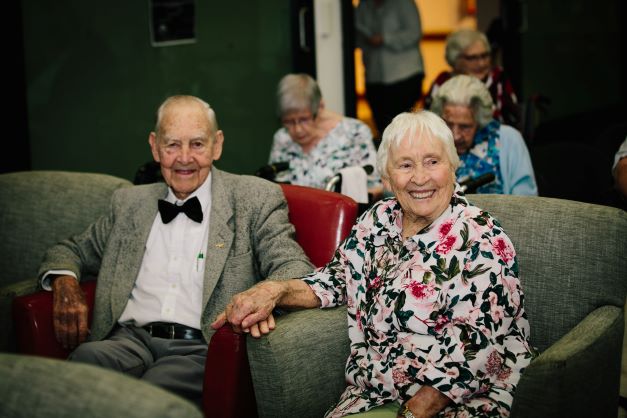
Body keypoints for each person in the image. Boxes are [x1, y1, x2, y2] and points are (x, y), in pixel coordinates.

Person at [214, 110, 535, 418]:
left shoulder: (482, 238)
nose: (420, 178)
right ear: (387, 175)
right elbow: (336, 278)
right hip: (374, 395)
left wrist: (411, 413)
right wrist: (274, 291)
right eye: (405, 165)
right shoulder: (377, 221)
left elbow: (475, 353)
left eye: (433, 162)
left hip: (463, 401)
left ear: (453, 166)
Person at [38, 95, 314, 408]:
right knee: (73, 378)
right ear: (155, 147)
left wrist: (268, 292)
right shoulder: (129, 204)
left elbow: (294, 267)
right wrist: (65, 284)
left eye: (197, 144)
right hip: (126, 341)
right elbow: (69, 250)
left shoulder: (255, 198)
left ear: (217, 144)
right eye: (172, 145)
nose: (184, 158)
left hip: (199, 348)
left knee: (146, 403)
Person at [268, 73, 383, 198]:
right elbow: (273, 189)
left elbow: (375, 188)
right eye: (289, 122)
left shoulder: (354, 133)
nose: (298, 129)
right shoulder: (282, 138)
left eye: (304, 119)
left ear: (320, 107)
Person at [430, 74, 537, 195]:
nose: (456, 136)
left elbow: (527, 202)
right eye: (448, 124)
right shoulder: (431, 142)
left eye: (465, 127)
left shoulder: (509, 139)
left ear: (480, 121)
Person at [424, 28, 520, 129]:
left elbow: (513, 120)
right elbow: (429, 122)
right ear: (455, 59)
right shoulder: (442, 82)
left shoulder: (498, 78)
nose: (481, 63)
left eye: (485, 55)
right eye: (472, 58)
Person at [355, 0, 425, 137]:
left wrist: (385, 38)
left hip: (405, 74)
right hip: (374, 75)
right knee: (382, 127)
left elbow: (414, 33)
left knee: (402, 128)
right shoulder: (364, 5)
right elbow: (356, 35)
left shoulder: (404, 3)